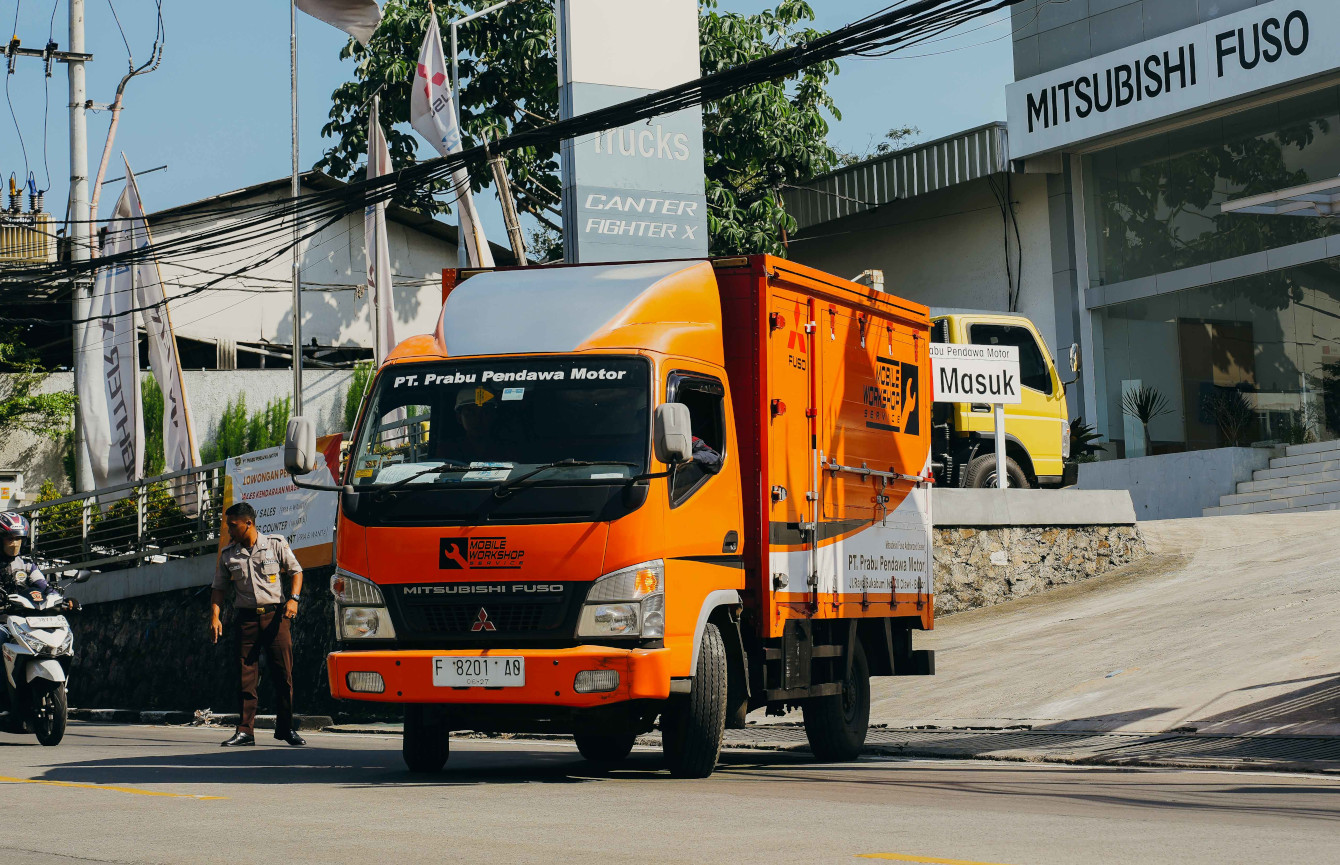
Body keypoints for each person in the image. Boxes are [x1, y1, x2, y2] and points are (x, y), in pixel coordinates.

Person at [209, 502, 306, 747]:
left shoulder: (275, 544)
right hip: (246, 621)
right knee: (246, 676)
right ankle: (245, 731)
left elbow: (296, 571)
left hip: (276, 618)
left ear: (248, 523)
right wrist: (214, 617)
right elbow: (219, 588)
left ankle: (286, 729)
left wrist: (293, 600)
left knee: (283, 675)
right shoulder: (228, 554)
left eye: (233, 526)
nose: (229, 531)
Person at [0, 512, 50, 604]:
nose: (15, 543)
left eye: (18, 538)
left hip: (25, 613)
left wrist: (64, 600)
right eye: (10, 539)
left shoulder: (27, 565)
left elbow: (44, 587)